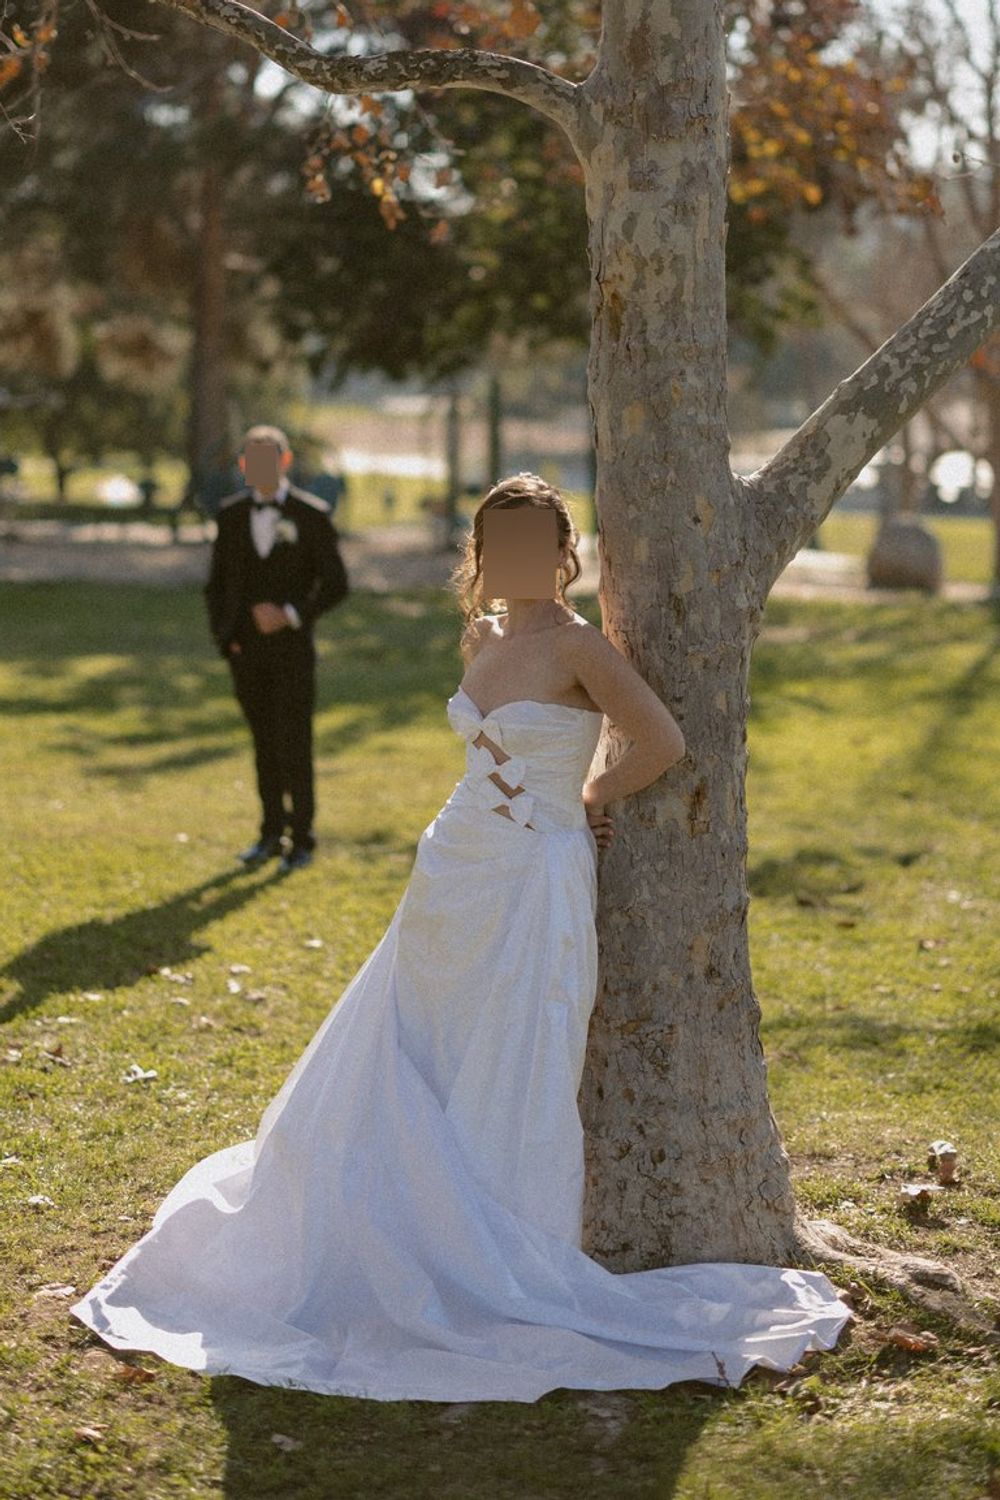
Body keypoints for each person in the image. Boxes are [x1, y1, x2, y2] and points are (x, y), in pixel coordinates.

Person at [70, 473, 852, 1403]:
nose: (514, 563)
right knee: (421, 1038)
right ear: (483, 555)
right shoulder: (480, 635)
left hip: (535, 871)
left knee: (517, 1051)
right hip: (453, 867)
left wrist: (591, 798)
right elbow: (482, 750)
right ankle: (405, 1219)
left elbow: (662, 740)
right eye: (497, 545)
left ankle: (492, 1237)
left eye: (533, 546)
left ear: (563, 554)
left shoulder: (580, 647)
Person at [204, 425, 349, 874]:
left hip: (292, 650)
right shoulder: (229, 517)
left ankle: (301, 838)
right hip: (246, 652)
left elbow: (337, 584)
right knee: (263, 742)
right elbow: (215, 585)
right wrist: (227, 638)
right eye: (250, 459)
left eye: (268, 459)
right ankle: (269, 832)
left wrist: (290, 613)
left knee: (294, 742)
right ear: (244, 465)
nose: (258, 467)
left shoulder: (311, 516)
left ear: (284, 463)